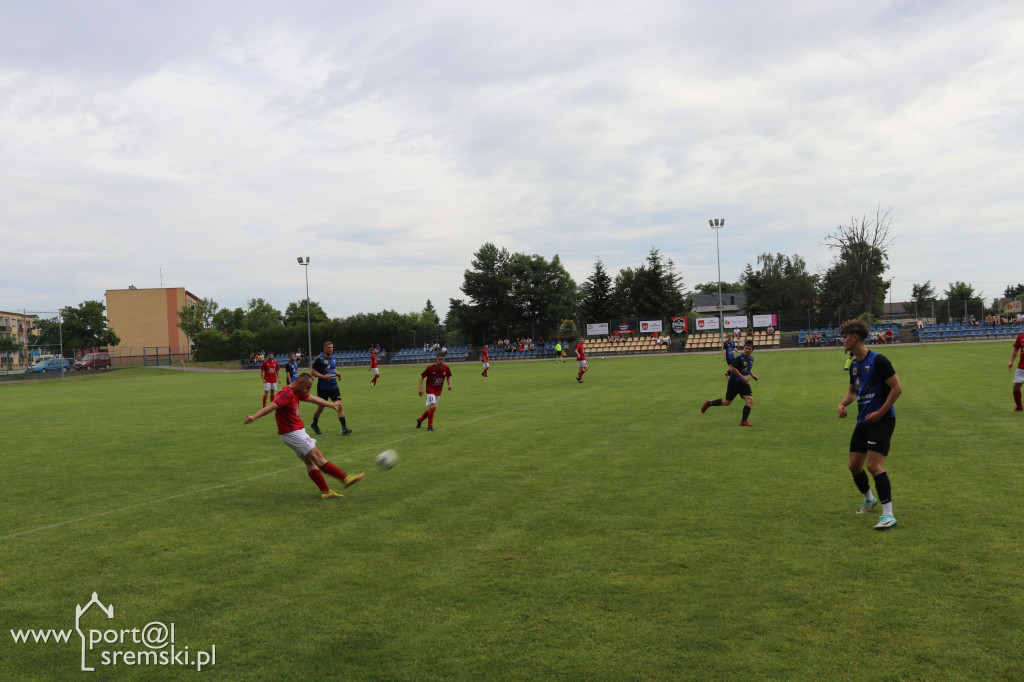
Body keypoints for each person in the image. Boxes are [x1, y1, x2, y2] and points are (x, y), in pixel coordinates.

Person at [243, 372, 364, 499]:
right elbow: (272, 406)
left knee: (310, 461)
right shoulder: (286, 393)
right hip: (292, 432)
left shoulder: (297, 391)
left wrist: (331, 405)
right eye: (307, 387)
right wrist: (254, 417)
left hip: (294, 431)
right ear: (300, 382)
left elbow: (313, 398)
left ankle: (325, 492)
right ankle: (346, 479)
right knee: (318, 457)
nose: (308, 390)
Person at [837, 319, 903, 530]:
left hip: (882, 419)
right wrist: (843, 403)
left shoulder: (878, 361)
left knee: (874, 465)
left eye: (845, 337)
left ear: (854, 338)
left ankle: (888, 514)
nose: (843, 341)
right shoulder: (854, 365)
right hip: (863, 420)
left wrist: (880, 412)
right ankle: (869, 499)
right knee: (854, 466)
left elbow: (897, 389)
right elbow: (853, 392)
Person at [701, 340, 758, 426]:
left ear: (752, 350)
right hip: (734, 383)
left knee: (750, 400)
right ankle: (709, 403)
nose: (747, 350)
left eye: (749, 349)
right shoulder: (739, 358)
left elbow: (748, 368)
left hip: (743, 384)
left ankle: (743, 421)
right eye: (746, 348)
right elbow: (733, 369)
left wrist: (753, 376)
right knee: (727, 402)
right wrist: (743, 378)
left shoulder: (751, 358)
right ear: (743, 348)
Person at [310, 341, 352, 436]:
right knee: (321, 407)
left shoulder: (334, 358)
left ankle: (344, 428)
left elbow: (333, 369)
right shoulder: (319, 360)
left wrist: (339, 374)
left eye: (332, 347)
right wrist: (323, 376)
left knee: (339, 405)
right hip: (323, 388)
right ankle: (314, 424)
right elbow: (313, 372)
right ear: (324, 349)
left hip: (333, 386)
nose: (330, 349)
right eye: (328, 347)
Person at [417, 354, 452, 431]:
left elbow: (449, 376)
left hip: (438, 391)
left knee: (432, 409)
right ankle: (430, 427)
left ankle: (419, 420)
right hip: (430, 389)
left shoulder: (446, 368)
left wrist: (449, 384)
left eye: (442, 360)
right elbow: (422, 376)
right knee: (434, 406)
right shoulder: (430, 368)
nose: (441, 361)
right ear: (436, 359)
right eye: (439, 359)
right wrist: (421, 389)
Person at [1009, 330, 1024, 412]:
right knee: (1015, 388)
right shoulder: (1021, 336)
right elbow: (1015, 349)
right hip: (1021, 368)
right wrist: (1011, 361)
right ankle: (1019, 407)